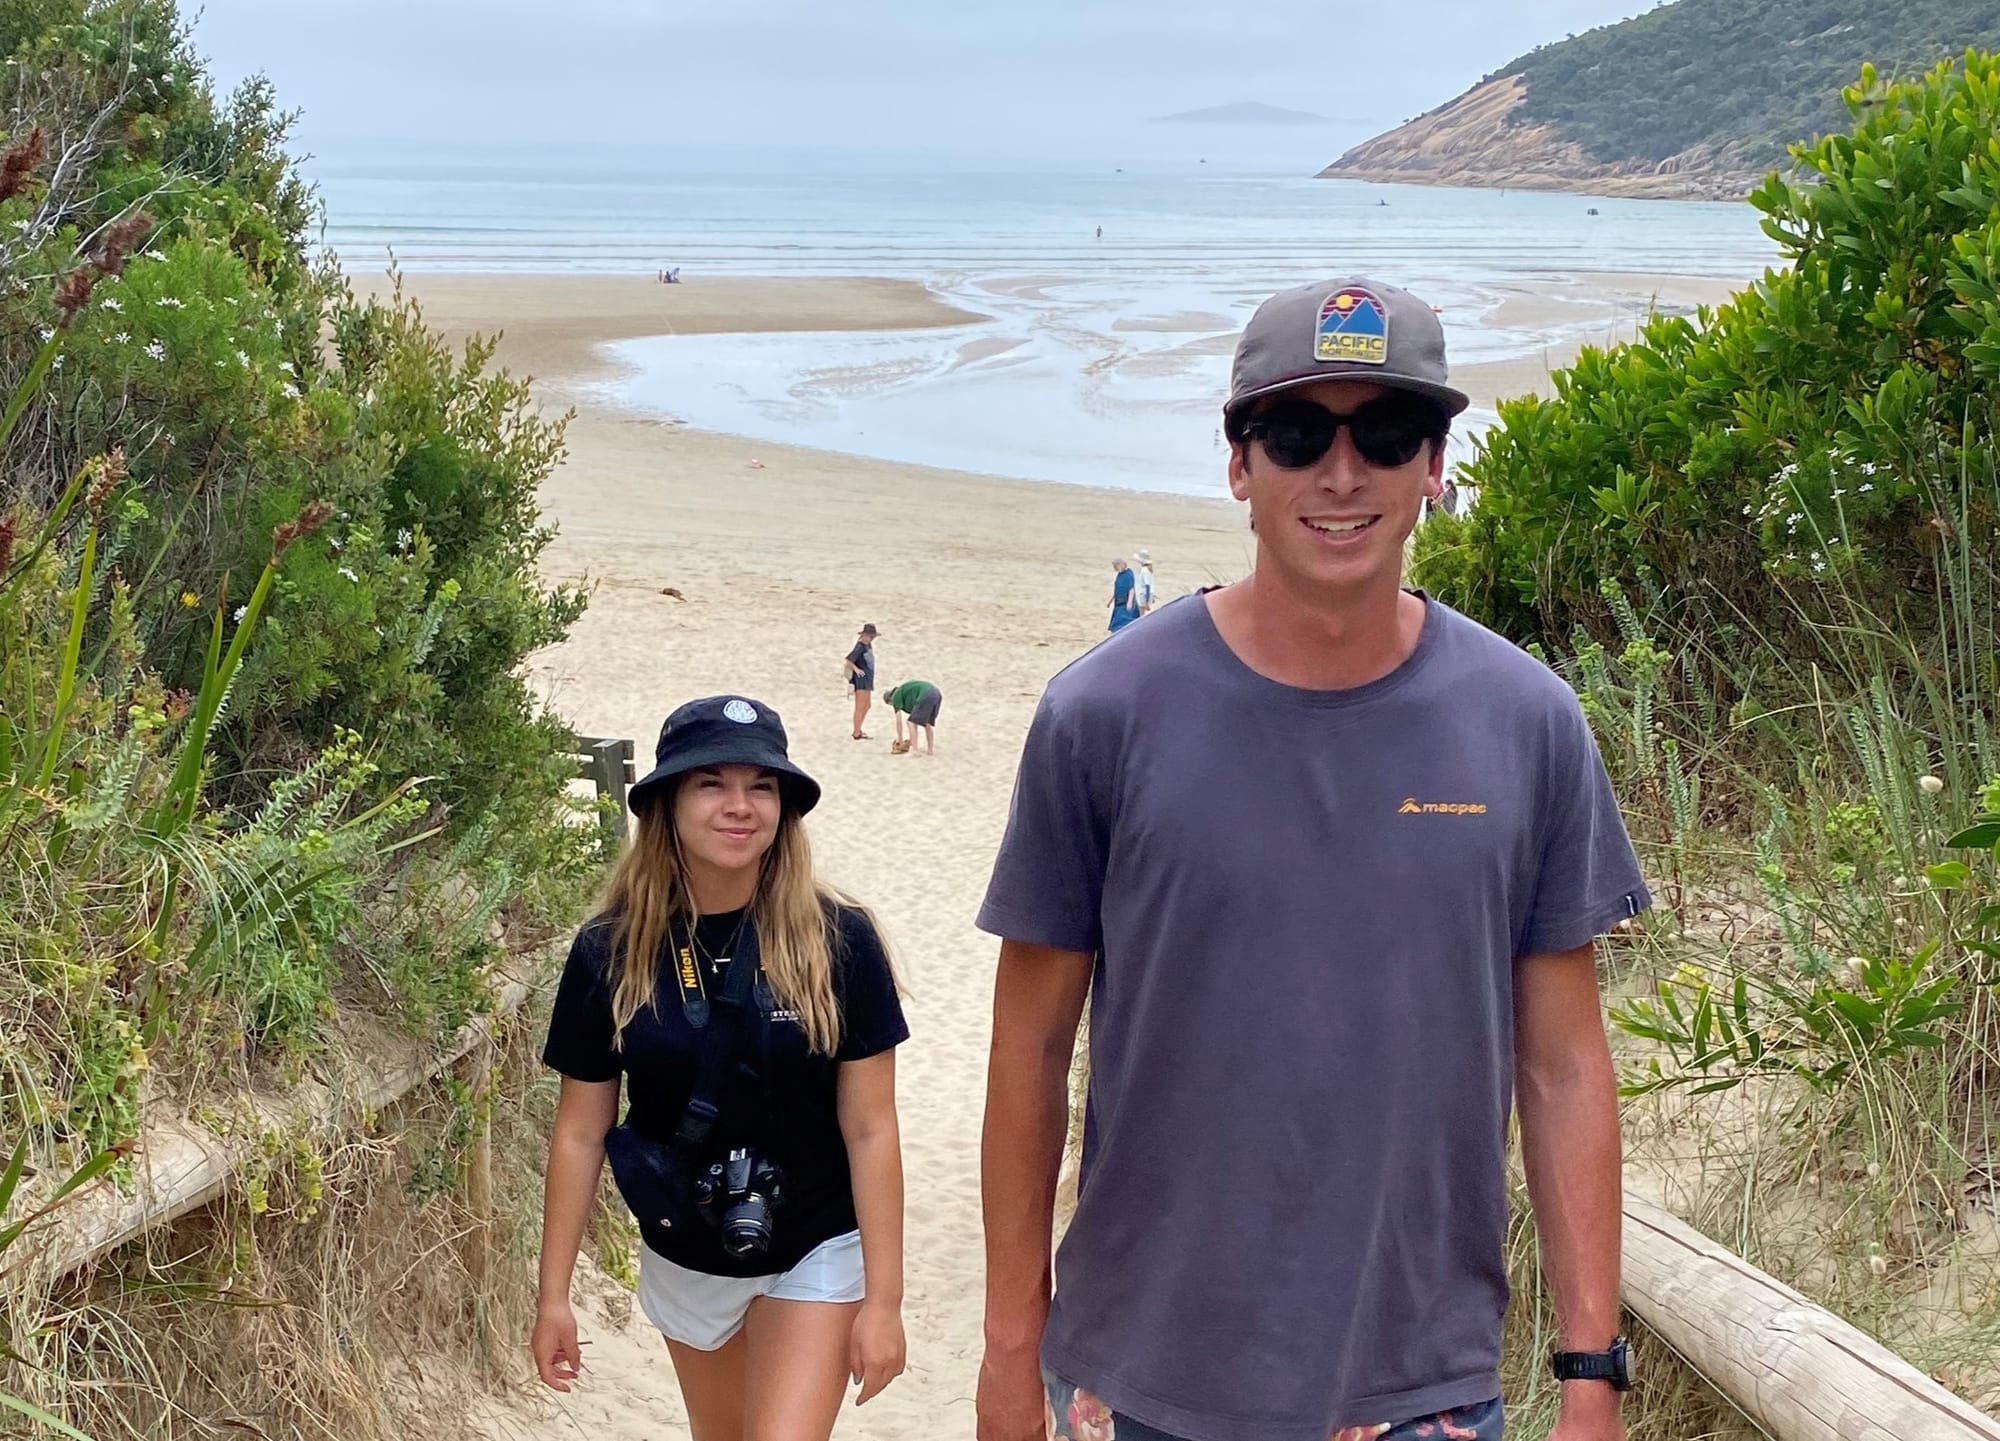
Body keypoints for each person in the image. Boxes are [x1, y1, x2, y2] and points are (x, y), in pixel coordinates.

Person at [976, 278, 1647, 1441]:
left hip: (1421, 1385)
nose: (1342, 474)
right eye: (1295, 434)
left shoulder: (1526, 722)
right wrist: (1005, 1347)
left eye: (1384, 434)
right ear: (1238, 464)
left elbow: (1562, 1066)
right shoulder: (1102, 714)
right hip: (1136, 1380)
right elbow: (1028, 1047)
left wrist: (1589, 1369)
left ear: (1433, 465)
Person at [535, 695, 910, 1440]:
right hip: (685, 1244)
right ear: (667, 803)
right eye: (712, 783)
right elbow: (579, 1131)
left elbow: (871, 1127)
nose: (740, 806)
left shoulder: (839, 938)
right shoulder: (610, 949)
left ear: (784, 809)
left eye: (761, 786)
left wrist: (885, 1302)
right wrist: (554, 1296)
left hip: (815, 1240)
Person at [882, 678, 942, 756]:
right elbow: (915, 718)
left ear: (890, 700)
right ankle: (930, 750)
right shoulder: (904, 692)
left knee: (910, 722)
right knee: (927, 723)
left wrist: (900, 739)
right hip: (936, 693)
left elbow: (899, 721)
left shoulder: (896, 696)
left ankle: (914, 750)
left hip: (925, 694)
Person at [844, 624, 879, 740]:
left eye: (872, 636)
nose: (870, 638)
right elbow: (849, 660)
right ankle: (856, 732)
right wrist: (857, 670)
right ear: (864, 635)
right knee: (860, 706)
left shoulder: (867, 645)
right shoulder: (860, 646)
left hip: (867, 679)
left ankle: (858, 729)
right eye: (869, 636)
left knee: (867, 705)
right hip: (860, 680)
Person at [1105, 559, 1138, 634]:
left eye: (1115, 566)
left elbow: (1131, 589)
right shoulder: (1120, 575)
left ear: (1120, 565)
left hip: (1125, 602)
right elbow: (1118, 589)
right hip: (1119, 602)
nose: (1114, 568)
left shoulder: (1128, 574)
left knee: (1123, 622)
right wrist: (1111, 601)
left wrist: (1129, 601)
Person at [1133, 548, 1156, 614]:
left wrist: (1147, 601)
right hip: (1149, 594)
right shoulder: (1149, 569)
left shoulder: (1144, 570)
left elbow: (1147, 586)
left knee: (1142, 614)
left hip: (1144, 595)